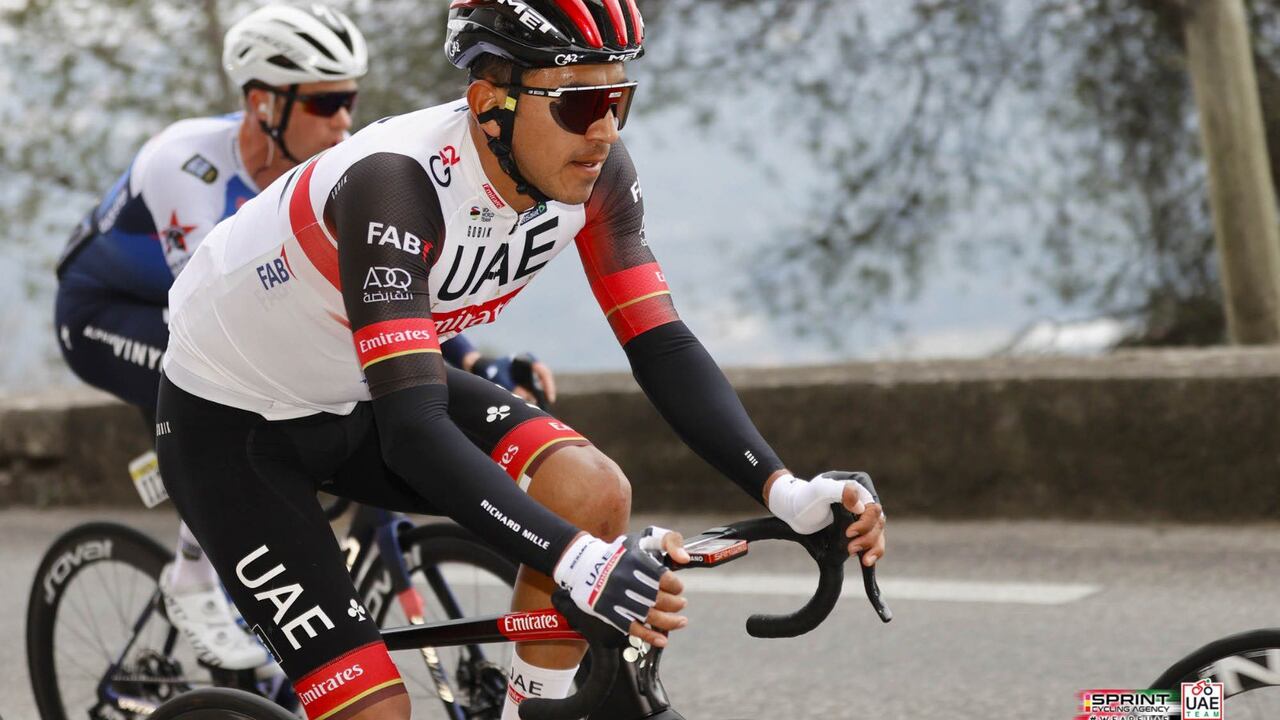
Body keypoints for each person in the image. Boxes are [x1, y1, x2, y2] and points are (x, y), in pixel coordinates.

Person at [155, 1, 887, 719]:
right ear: (489, 106)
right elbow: (413, 432)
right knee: (376, 709)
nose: (604, 131)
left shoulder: (595, 173)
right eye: (580, 104)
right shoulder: (395, 185)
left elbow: (660, 342)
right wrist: (576, 562)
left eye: (618, 100)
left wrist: (784, 490)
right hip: (234, 425)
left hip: (358, 386)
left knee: (592, 490)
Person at [53, 2, 553, 672]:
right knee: (224, 394)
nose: (343, 120)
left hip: (198, 310)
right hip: (107, 313)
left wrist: (472, 358)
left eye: (350, 99)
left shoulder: (335, 168)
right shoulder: (185, 165)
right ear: (263, 103)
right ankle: (192, 579)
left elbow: (392, 289)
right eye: (324, 101)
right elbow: (215, 325)